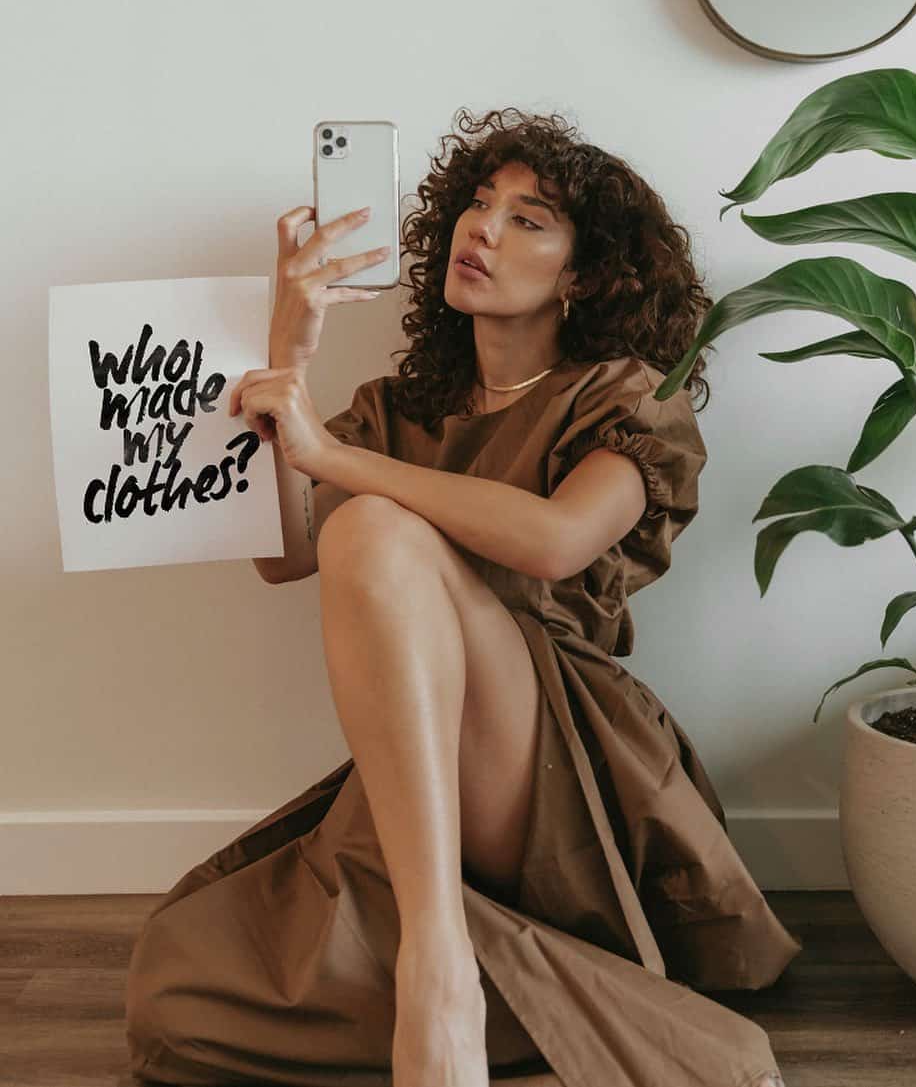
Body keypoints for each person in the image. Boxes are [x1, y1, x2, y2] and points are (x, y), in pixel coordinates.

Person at [124, 108, 798, 1087]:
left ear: (585, 275)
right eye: (479, 204)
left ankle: (437, 969)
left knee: (369, 523)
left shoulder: (627, 391)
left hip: (554, 756)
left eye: (530, 219)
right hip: (419, 766)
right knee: (171, 989)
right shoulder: (403, 410)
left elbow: (558, 538)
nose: (482, 229)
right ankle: (514, 989)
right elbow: (280, 557)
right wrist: (290, 360)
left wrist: (335, 457)